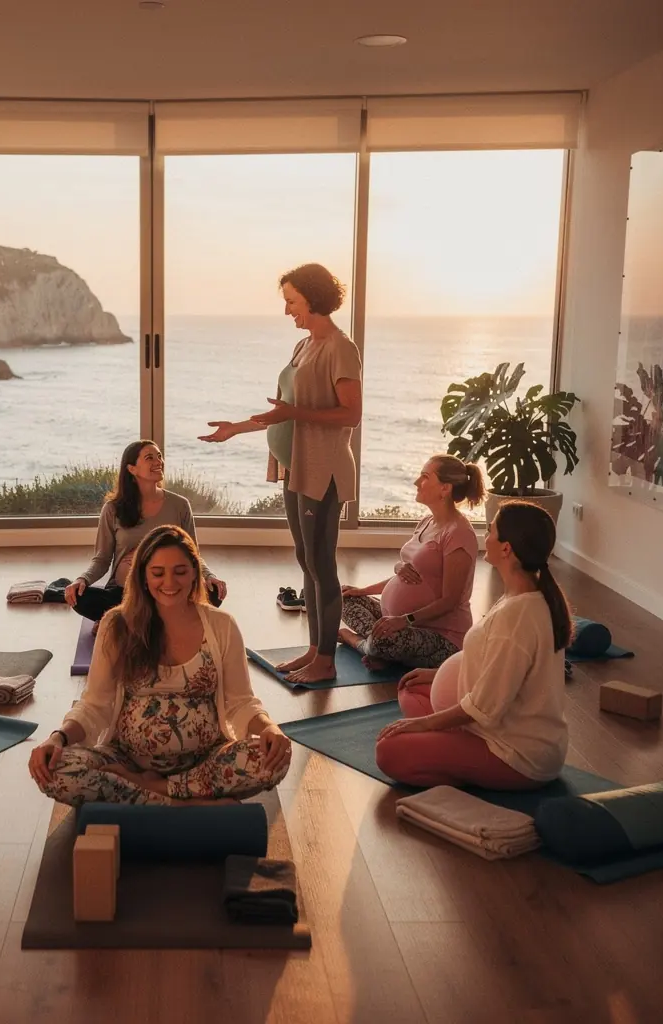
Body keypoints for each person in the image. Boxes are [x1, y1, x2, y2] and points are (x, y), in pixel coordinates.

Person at [29, 525, 291, 805]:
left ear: (194, 573)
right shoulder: (116, 625)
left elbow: (241, 701)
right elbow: (95, 704)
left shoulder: (222, 625)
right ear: (142, 576)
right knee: (56, 770)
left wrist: (269, 729)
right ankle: (188, 804)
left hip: (205, 762)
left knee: (272, 759)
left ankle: (150, 793)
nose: (170, 582)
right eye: (158, 573)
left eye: (180, 571)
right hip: (126, 761)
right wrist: (58, 738)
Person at [200, 264, 362, 684]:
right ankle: (314, 650)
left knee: (321, 563)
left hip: (322, 469)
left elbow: (352, 414)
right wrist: (236, 429)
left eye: (292, 300)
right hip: (295, 467)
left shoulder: (341, 349)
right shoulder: (302, 345)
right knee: (305, 560)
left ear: (312, 297)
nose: (288, 309)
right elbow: (283, 411)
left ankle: (326, 662)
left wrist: (293, 413)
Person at [375, 501, 572, 790]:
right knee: (413, 687)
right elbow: (492, 661)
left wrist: (423, 725)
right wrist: (435, 674)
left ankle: (462, 771)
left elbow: (486, 706)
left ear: (507, 548)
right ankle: (453, 748)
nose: (486, 535)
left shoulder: (518, 615)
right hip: (498, 724)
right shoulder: (522, 596)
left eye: (491, 530)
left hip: (517, 753)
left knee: (388, 751)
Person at [338, 454, 485, 669]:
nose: (417, 482)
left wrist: (404, 620)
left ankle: (355, 641)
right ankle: (384, 651)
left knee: (383, 641)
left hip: (441, 635)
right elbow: (410, 577)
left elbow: (451, 600)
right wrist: (362, 591)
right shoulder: (426, 522)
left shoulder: (459, 534)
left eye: (425, 477)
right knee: (342, 596)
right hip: (400, 621)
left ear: (445, 488)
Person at [64, 440, 227, 623]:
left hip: (169, 591)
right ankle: (154, 620)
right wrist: (82, 580)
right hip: (124, 595)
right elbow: (102, 559)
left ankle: (127, 622)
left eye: (159, 456)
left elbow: (193, 554)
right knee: (79, 597)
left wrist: (209, 576)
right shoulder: (113, 509)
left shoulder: (180, 505)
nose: (158, 461)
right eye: (150, 457)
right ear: (132, 469)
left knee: (215, 593)